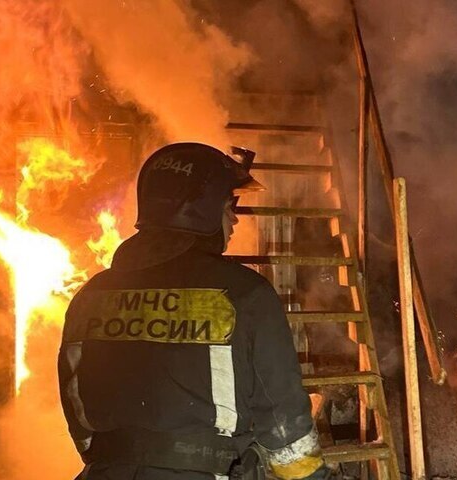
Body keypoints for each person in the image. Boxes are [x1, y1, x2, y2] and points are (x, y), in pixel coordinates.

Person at [58, 143, 328, 480]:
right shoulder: (246, 294)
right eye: (229, 206)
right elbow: (282, 423)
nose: (234, 219)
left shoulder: (91, 295)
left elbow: (76, 403)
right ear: (202, 210)